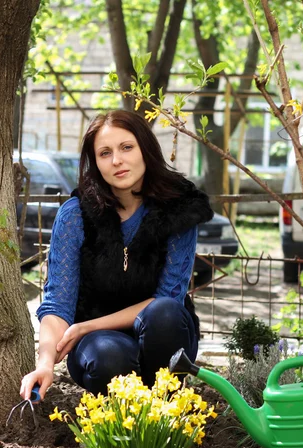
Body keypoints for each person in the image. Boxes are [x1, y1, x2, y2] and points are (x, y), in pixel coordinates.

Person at [20, 109, 213, 400]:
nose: (117, 161)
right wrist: (45, 363)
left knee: (165, 312)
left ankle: (164, 412)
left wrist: (86, 325)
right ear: (95, 163)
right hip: (99, 342)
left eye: (126, 147)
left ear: (145, 149)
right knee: (109, 356)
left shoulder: (178, 209)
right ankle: (123, 425)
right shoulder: (77, 215)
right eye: (105, 153)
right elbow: (58, 303)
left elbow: (169, 298)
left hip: (164, 335)